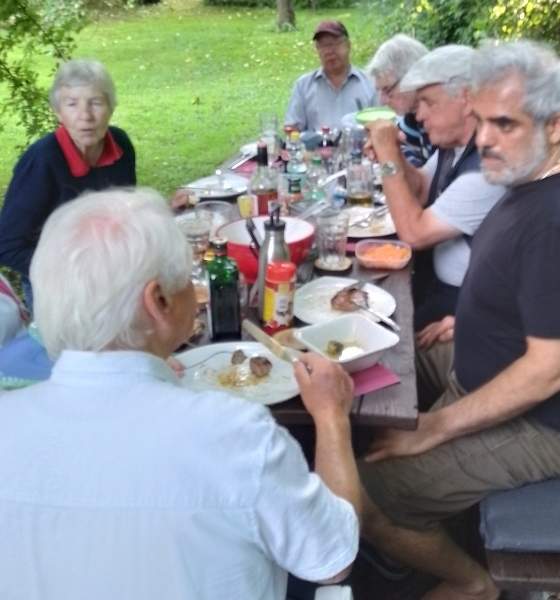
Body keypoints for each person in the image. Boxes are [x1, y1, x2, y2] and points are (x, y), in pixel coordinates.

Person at [358, 40, 560, 600]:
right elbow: (523, 285)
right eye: (480, 121)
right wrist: (473, 315)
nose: (483, 140)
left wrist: (433, 427)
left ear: (555, 126)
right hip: (481, 362)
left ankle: (471, 582)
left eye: (504, 123)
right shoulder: (531, 179)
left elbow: (547, 374)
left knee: (367, 492)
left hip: (545, 425)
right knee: (378, 361)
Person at [0, 188, 361, 600]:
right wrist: (332, 416)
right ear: (158, 300)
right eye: (190, 279)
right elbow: (334, 559)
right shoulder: (237, 436)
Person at [366, 45, 505, 330]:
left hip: (466, 309)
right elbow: (418, 188)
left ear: (466, 99)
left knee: (383, 340)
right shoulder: (453, 146)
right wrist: (392, 152)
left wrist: (388, 158)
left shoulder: (488, 168)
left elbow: (414, 233)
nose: (419, 116)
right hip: (436, 290)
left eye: (429, 102)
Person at [0, 59, 136, 310]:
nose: (85, 115)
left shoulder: (120, 144)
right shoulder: (42, 162)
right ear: (58, 112)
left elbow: (125, 212)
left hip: (110, 272)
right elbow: (7, 245)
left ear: (111, 107)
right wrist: (72, 274)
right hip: (56, 284)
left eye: (95, 102)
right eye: (72, 104)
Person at [284, 20, 377, 134]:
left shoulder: (371, 84)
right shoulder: (303, 86)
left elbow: (383, 129)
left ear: (348, 45)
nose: (329, 51)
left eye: (335, 44)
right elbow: (292, 128)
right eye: (323, 46)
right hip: (315, 150)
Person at [365, 34, 433, 167]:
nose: (383, 100)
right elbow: (401, 147)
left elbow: (430, 182)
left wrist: (388, 153)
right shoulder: (413, 114)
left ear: (411, 77)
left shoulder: (441, 119)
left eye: (387, 89)